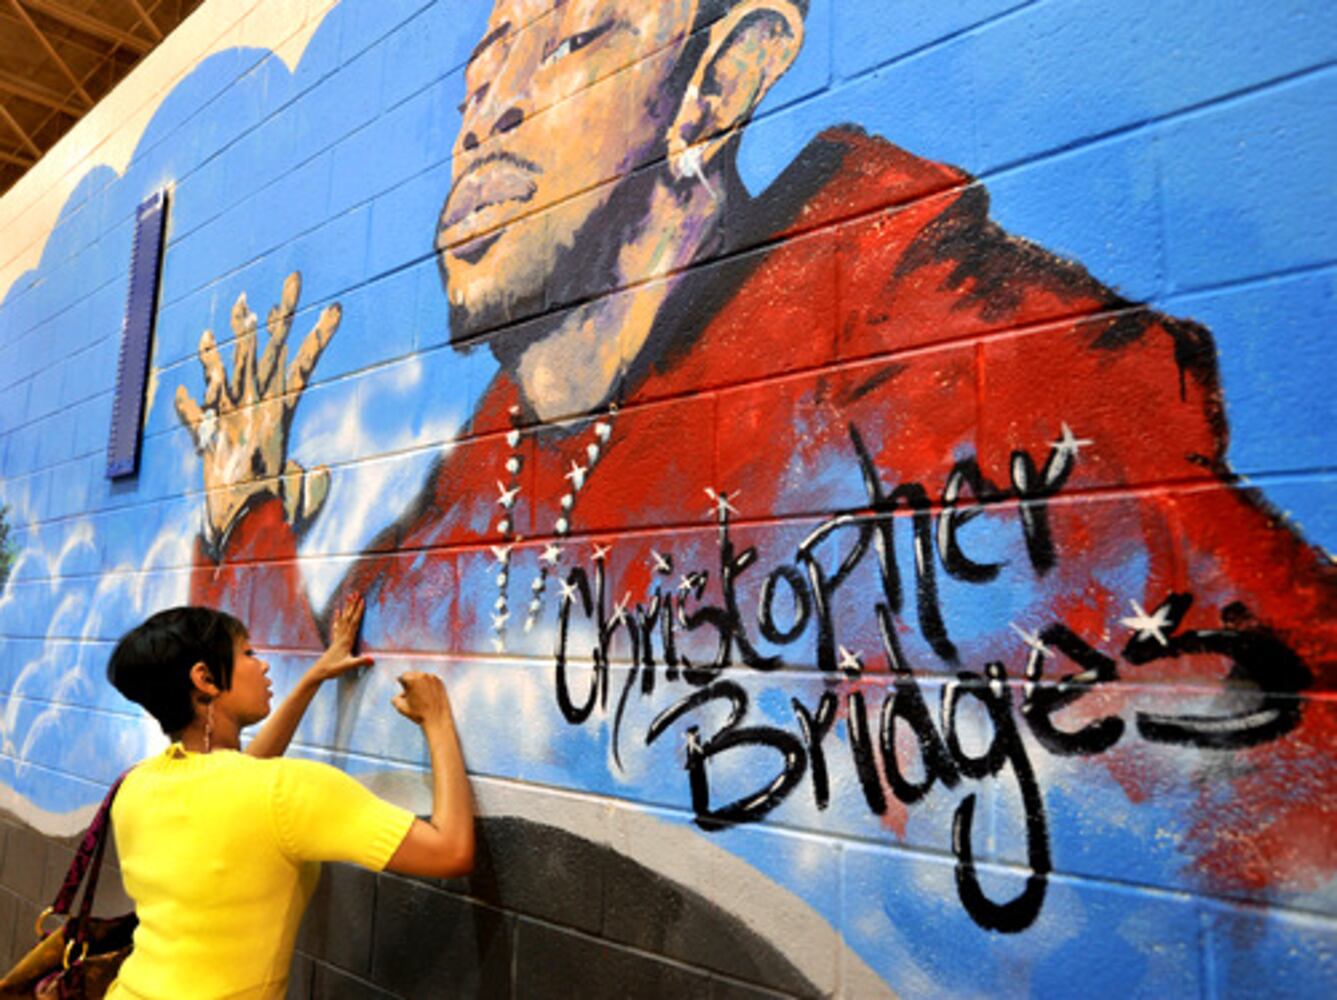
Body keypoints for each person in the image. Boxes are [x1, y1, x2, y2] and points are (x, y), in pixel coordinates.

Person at [172, 0, 1334, 913]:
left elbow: (1268, 768)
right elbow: (332, 664)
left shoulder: (918, 344)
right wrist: (245, 527)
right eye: (479, 75)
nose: (490, 110)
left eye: (569, 40)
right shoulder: (493, 466)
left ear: (719, 84)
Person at [103, 597, 473, 1000]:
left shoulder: (135, 787)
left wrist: (314, 676)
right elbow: (450, 851)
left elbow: (237, 786)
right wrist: (437, 720)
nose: (262, 664)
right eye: (247, 653)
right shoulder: (284, 791)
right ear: (206, 679)